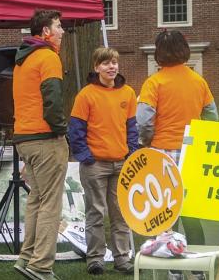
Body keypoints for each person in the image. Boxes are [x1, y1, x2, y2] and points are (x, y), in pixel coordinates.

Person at [136, 30, 218, 280]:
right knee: (190, 211)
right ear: (184, 50)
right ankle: (199, 268)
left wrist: (144, 142)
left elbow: (144, 121)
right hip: (190, 152)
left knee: (165, 212)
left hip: (162, 153)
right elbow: (212, 117)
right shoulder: (198, 81)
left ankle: (171, 269)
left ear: (159, 53)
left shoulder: (154, 82)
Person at [68, 47, 138, 276]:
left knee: (120, 213)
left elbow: (131, 128)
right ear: (96, 67)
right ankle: (95, 259)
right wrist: (86, 156)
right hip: (94, 164)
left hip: (120, 163)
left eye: (114, 63)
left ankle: (122, 258)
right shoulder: (86, 95)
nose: (111, 67)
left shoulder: (127, 93)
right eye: (106, 63)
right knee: (96, 212)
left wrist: (131, 153)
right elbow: (76, 130)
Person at [12, 9, 69, 280]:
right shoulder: (48, 57)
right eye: (58, 26)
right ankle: (41, 265)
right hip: (46, 139)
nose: (62, 31)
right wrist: (61, 130)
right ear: (45, 32)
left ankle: (27, 257)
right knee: (50, 204)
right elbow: (54, 101)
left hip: (24, 138)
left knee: (37, 199)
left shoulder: (22, 60)